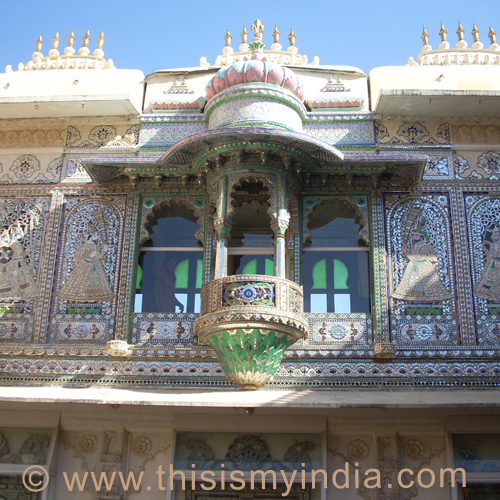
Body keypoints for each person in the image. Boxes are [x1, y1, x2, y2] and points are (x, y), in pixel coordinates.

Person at [392, 227, 453, 302]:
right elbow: (412, 258)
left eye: (416, 235)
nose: (414, 237)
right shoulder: (414, 246)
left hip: (424, 268)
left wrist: (421, 256)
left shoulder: (428, 246)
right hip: (414, 267)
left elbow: (433, 258)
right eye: (413, 236)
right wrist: (405, 252)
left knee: (427, 285)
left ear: (421, 237)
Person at [57, 227, 114, 301]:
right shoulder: (83, 247)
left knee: (95, 283)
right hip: (85, 266)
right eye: (95, 236)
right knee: (83, 282)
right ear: (89, 237)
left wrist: (104, 251)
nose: (96, 238)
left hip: (95, 266)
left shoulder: (95, 246)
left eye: (96, 236)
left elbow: (99, 257)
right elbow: (76, 258)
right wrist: (89, 256)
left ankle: (93, 297)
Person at [474, 225, 500, 301]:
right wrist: (485, 250)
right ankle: (489, 295)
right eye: (493, 235)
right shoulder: (493, 245)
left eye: (495, 235)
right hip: (492, 265)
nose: (493, 237)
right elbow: (490, 256)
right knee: (488, 280)